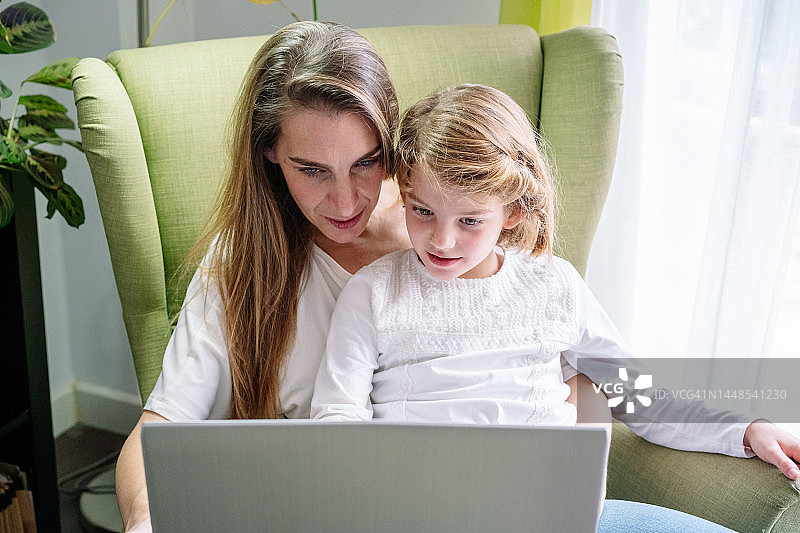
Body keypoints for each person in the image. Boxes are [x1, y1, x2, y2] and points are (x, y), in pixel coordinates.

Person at [114, 21, 799, 533]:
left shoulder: (529, 271)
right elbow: (200, 425)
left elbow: (632, 385)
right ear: (270, 156)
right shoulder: (316, 280)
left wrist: (743, 425)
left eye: (366, 163)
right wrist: (147, 522)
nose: (347, 202)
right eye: (311, 170)